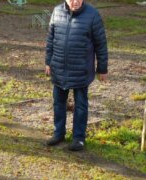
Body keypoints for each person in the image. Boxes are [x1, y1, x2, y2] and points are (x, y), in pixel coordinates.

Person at [45, 0, 108, 151]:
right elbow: (50, 39)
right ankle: (58, 133)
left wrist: (102, 68)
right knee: (58, 103)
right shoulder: (57, 11)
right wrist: (48, 62)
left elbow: (101, 44)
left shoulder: (92, 15)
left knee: (81, 105)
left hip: (81, 70)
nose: (75, 2)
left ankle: (79, 138)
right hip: (59, 68)